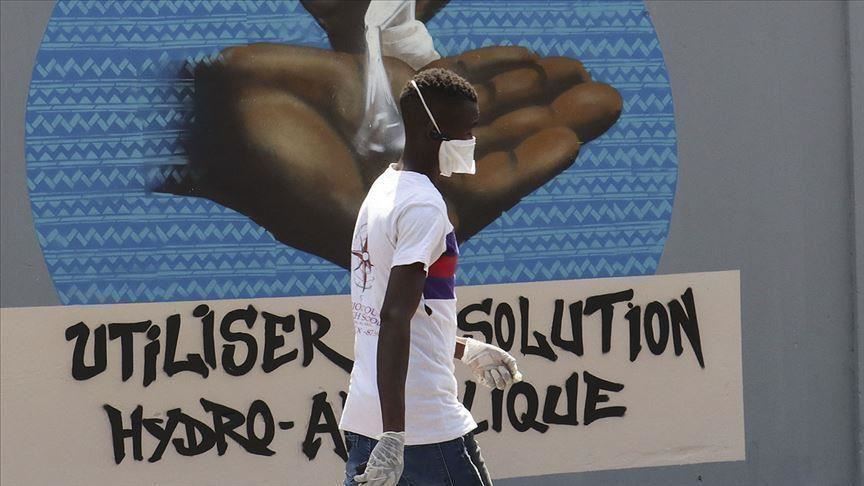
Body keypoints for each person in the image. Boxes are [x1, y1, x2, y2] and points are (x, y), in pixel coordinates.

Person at [339, 68, 523, 486]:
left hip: (367, 422)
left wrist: (463, 348)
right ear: (431, 131)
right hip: (423, 430)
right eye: (466, 130)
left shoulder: (384, 190)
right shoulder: (424, 206)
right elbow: (393, 316)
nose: (471, 141)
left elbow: (394, 311)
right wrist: (395, 436)